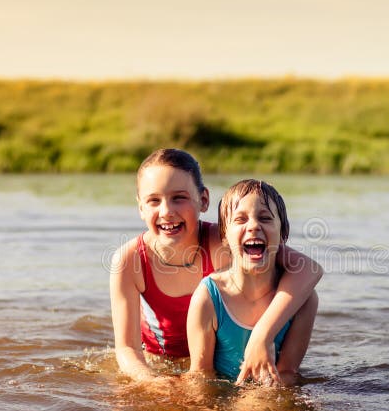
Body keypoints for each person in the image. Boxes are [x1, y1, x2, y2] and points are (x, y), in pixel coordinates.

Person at [110, 149, 321, 383]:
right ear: (141, 208)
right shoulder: (130, 260)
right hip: (165, 362)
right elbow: (127, 348)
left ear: (203, 200)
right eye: (154, 201)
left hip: (219, 362)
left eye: (179, 198)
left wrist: (261, 336)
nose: (167, 211)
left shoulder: (224, 241)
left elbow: (308, 270)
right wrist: (152, 381)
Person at [187, 179, 318, 386]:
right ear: (224, 236)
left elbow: (287, 373)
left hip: (270, 390)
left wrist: (256, 402)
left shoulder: (303, 299)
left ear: (283, 234)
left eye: (265, 218)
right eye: (240, 220)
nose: (254, 226)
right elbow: (201, 376)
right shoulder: (209, 297)